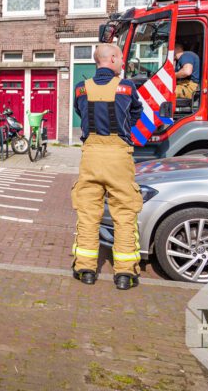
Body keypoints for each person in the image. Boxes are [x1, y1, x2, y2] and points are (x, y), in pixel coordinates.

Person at [72, 43, 144, 291]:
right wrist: (120, 127)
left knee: (87, 214)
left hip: (90, 156)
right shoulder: (127, 87)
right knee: (124, 215)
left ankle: (85, 270)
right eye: (121, 59)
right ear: (112, 59)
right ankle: (125, 274)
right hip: (119, 157)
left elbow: (80, 112)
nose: (123, 63)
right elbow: (136, 114)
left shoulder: (81, 88)